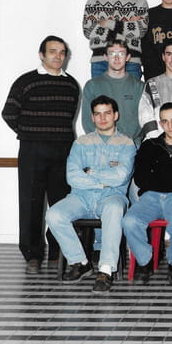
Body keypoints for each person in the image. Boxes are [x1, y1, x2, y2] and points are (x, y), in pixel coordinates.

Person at [1, 35, 80, 274]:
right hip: (32, 150)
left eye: (62, 52)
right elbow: (8, 113)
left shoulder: (71, 84)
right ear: (41, 55)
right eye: (53, 51)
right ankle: (32, 255)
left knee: (61, 204)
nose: (58, 56)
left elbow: (68, 118)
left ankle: (57, 251)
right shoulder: (26, 81)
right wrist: (29, 134)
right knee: (31, 205)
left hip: (63, 152)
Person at [45, 95, 136, 294]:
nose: (102, 118)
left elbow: (121, 176)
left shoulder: (127, 143)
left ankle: (105, 270)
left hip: (112, 197)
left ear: (115, 115)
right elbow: (72, 177)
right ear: (92, 117)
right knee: (54, 215)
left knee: (114, 209)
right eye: (98, 114)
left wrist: (91, 172)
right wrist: (103, 180)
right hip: (81, 197)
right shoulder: (81, 143)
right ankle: (81, 262)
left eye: (107, 113)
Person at [122, 103, 172, 285]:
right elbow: (141, 178)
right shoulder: (149, 146)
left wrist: (160, 174)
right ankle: (145, 261)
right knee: (129, 221)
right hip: (150, 196)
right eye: (165, 121)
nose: (170, 125)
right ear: (160, 124)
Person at [82, 0, 148, 79]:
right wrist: (126, 27)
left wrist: (108, 23)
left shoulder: (140, 2)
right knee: (99, 93)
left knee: (131, 92)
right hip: (101, 61)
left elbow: (141, 31)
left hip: (131, 61)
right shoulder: (94, 0)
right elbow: (88, 30)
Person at [81, 40, 144, 145]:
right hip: (101, 146)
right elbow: (87, 121)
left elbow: (142, 120)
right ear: (105, 57)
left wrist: (125, 142)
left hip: (131, 145)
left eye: (121, 54)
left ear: (128, 57)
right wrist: (104, 141)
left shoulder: (139, 87)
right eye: (112, 54)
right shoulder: (92, 86)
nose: (116, 58)